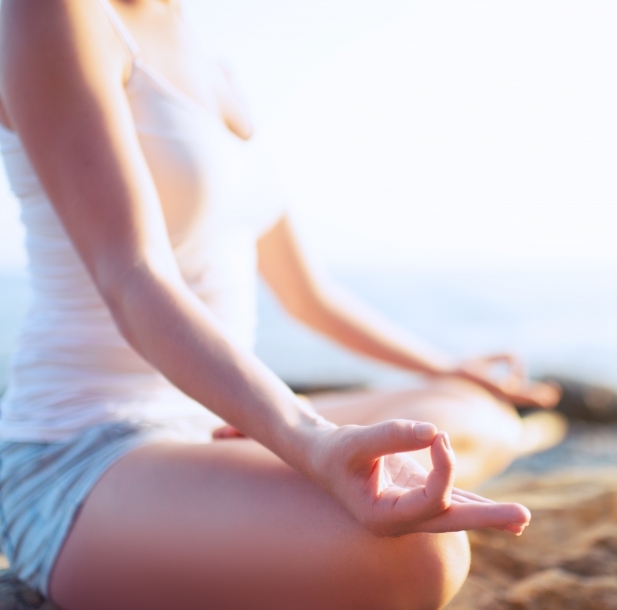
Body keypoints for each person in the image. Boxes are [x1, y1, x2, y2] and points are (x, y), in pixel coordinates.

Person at [0, 1, 563, 608]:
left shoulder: (212, 63)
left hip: (216, 423)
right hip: (84, 454)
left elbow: (308, 295)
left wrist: (444, 367)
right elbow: (133, 276)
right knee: (422, 557)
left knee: (474, 415)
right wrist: (306, 441)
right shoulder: (51, 13)